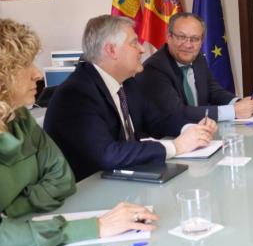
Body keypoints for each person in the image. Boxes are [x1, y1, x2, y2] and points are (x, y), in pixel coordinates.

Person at [0, 19, 158, 246]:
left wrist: (12, 210)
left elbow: (61, 178)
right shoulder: (74, 93)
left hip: (33, 241)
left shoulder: (19, 117)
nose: (37, 73)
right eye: (24, 64)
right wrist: (95, 227)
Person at [44, 15, 216, 181]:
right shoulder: (76, 94)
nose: (142, 49)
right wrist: (175, 147)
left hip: (124, 180)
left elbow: (157, 121)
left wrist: (191, 129)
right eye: (134, 43)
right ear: (111, 50)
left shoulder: (127, 83)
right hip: (88, 191)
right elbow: (107, 155)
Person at [136, 12, 253, 122]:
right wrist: (233, 111)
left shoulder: (198, 58)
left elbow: (214, 91)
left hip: (201, 135)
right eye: (181, 37)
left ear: (201, 41)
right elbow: (177, 113)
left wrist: (240, 103)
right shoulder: (154, 69)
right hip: (169, 140)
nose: (188, 45)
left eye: (195, 39)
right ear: (169, 37)